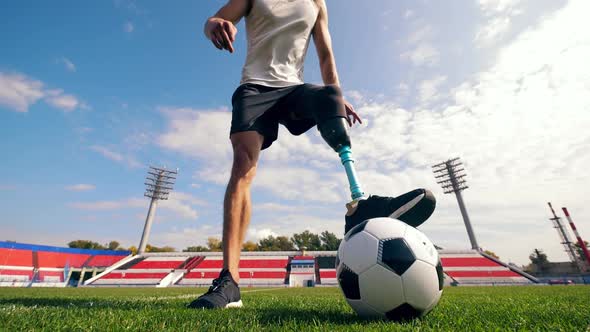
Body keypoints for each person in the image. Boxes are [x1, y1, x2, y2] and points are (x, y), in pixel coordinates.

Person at [189, 0, 435, 309]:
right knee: (243, 165)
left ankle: (359, 204)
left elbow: (325, 54)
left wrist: (337, 98)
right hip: (255, 89)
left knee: (330, 96)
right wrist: (213, 25)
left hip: (294, 89)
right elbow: (216, 18)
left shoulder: (316, 2)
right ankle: (229, 281)